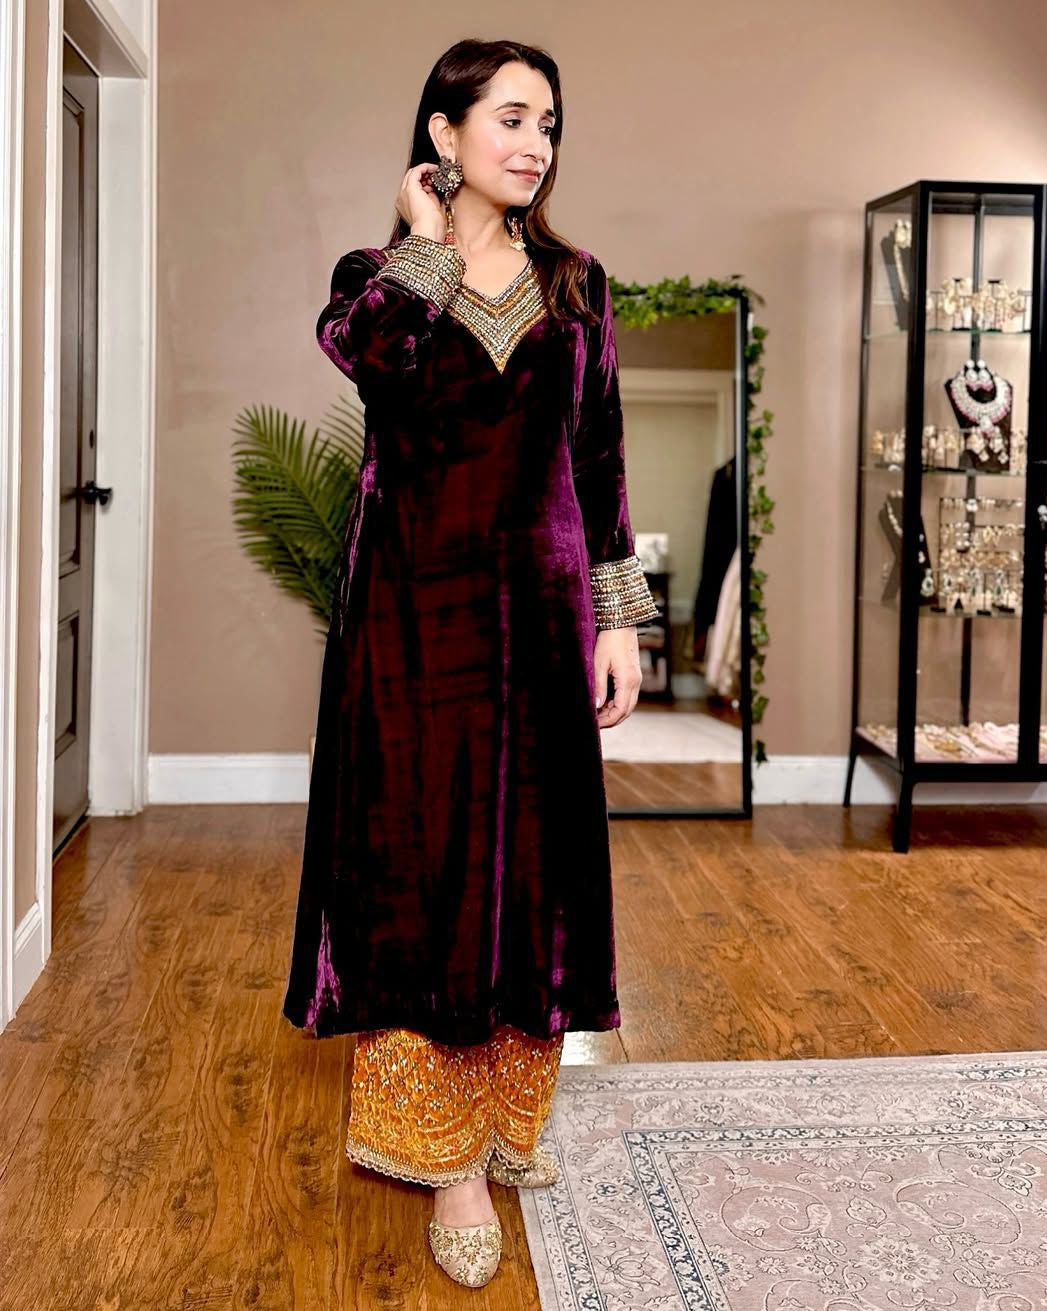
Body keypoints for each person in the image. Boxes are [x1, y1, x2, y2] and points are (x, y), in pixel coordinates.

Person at [281, 37, 659, 1289]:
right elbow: (371, 364)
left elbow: (598, 456)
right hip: (411, 617)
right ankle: (442, 1160)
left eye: (548, 120)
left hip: (544, 619)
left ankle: (503, 1119)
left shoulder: (582, 285)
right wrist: (425, 240)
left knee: (531, 869)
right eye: (508, 116)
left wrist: (617, 618)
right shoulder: (380, 278)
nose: (536, 141)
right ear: (443, 134)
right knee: (426, 865)